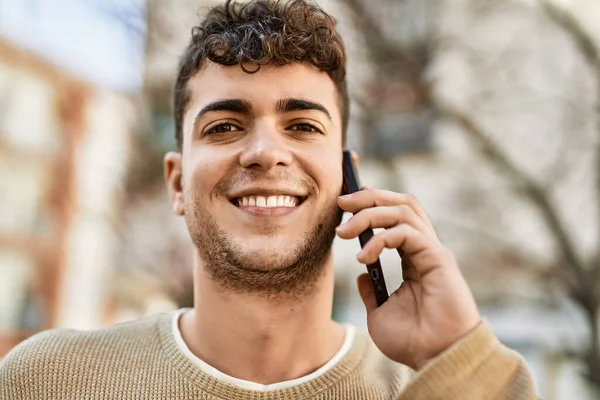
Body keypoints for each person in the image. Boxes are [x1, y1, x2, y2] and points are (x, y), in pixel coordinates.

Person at [0, 0, 538, 398]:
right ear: (177, 183)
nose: (263, 152)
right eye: (225, 126)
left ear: (349, 178)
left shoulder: (432, 388)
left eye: (302, 125)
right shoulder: (48, 380)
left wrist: (456, 360)